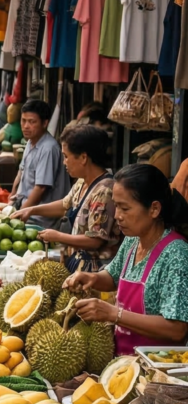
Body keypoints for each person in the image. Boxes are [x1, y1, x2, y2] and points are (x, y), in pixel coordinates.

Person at [66, 163, 188, 351]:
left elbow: (177, 329)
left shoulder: (176, 254)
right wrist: (92, 278)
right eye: (116, 207)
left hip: (158, 369)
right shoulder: (132, 241)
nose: (117, 216)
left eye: (125, 208)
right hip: (123, 360)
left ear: (154, 209)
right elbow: (112, 277)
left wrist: (114, 314)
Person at [12, 124, 119, 271]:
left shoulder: (104, 191)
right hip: (76, 263)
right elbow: (65, 205)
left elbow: (95, 241)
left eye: (66, 156)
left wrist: (57, 236)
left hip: (95, 272)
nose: (64, 162)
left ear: (83, 158)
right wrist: (31, 210)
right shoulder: (82, 182)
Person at [11, 99, 63, 226]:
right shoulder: (30, 141)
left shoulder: (48, 148)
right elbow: (21, 171)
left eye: (32, 122)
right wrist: (12, 196)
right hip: (24, 208)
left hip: (40, 219)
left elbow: (40, 188)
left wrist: (20, 213)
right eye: (23, 121)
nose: (25, 126)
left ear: (45, 123)